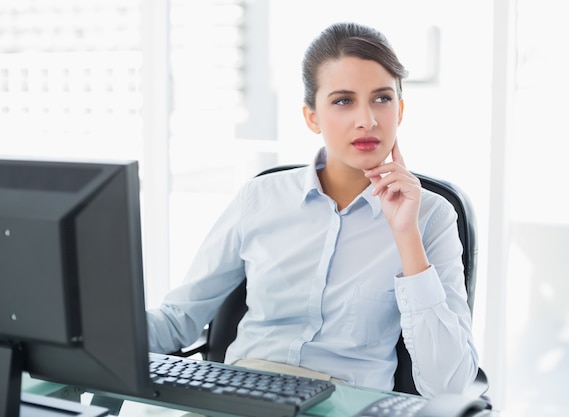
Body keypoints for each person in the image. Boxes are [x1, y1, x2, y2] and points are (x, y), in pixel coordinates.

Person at [147, 21, 478, 397]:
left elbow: (448, 384)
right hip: (243, 395)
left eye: (382, 98)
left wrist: (406, 238)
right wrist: (83, 334)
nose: (366, 119)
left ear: (399, 111)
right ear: (312, 117)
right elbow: (178, 320)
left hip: (346, 401)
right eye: (343, 101)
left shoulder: (431, 216)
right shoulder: (259, 198)